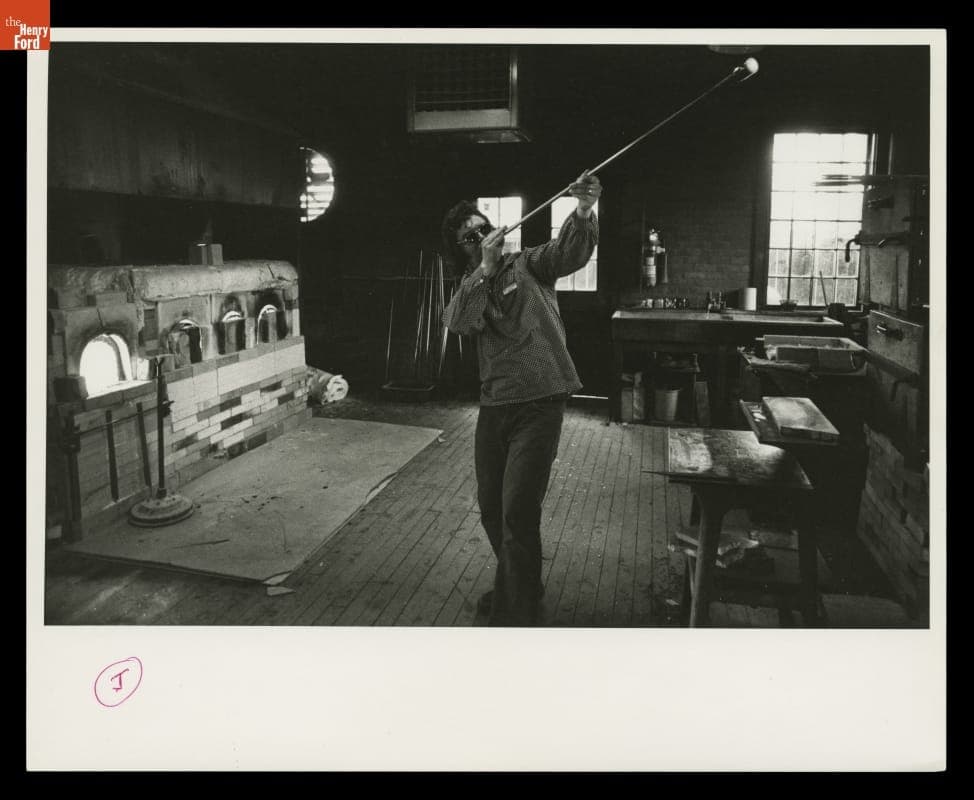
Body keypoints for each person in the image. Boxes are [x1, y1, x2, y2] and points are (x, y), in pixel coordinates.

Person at [441, 171, 602, 626]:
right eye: (467, 238)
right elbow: (457, 322)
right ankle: (521, 584)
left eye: (480, 229)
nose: (476, 239)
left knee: (517, 510)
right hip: (496, 405)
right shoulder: (473, 285)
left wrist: (585, 209)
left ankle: (520, 615)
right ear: (462, 249)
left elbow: (569, 251)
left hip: (540, 400)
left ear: (495, 230)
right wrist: (484, 271)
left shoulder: (530, 262)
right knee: (491, 505)